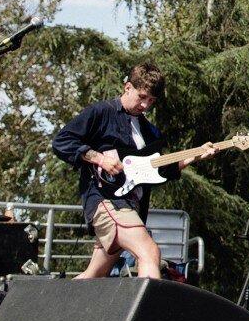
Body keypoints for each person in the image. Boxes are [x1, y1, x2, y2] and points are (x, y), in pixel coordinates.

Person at [51, 62, 215, 280]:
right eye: (142, 96)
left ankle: (51, 306)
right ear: (128, 87)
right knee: (149, 252)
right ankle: (150, 313)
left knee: (95, 274)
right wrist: (99, 158)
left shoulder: (150, 131)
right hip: (106, 200)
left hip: (132, 207)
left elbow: (160, 171)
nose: (145, 105)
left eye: (151, 101)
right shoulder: (101, 112)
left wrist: (194, 157)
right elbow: (61, 142)